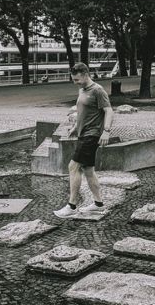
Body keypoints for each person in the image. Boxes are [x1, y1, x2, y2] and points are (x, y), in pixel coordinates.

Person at [54, 63, 113, 218]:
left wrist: (106, 131)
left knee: (73, 167)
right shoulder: (82, 89)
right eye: (73, 80)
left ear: (86, 74)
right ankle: (98, 204)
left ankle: (71, 206)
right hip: (83, 133)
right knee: (88, 170)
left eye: (77, 79)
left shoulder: (98, 90)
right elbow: (83, 111)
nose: (75, 82)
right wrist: (75, 126)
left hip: (91, 135)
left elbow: (109, 111)